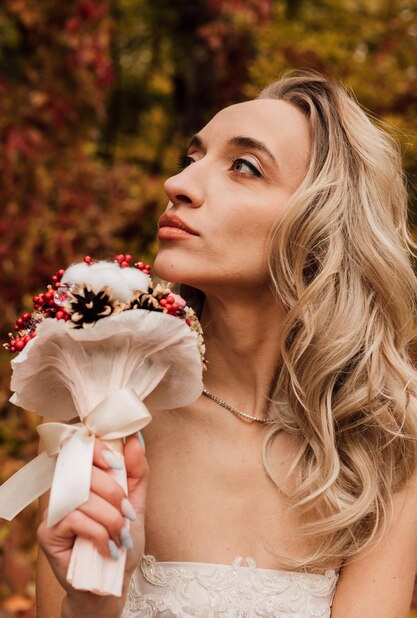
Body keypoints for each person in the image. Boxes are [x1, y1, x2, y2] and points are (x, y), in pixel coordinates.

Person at [36, 71, 417, 618]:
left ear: (323, 224)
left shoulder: (381, 437)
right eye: (192, 157)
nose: (179, 183)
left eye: (244, 166)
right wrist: (94, 601)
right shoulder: (104, 412)